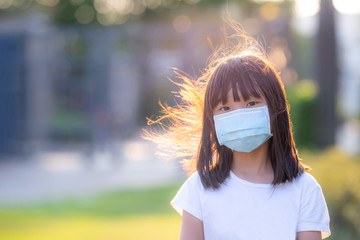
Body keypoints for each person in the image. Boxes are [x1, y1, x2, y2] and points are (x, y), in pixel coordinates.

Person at [144, 25, 331, 240]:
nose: (239, 114)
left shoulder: (305, 189)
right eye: (225, 108)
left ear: (275, 108)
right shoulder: (198, 189)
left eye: (251, 103)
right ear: (212, 120)